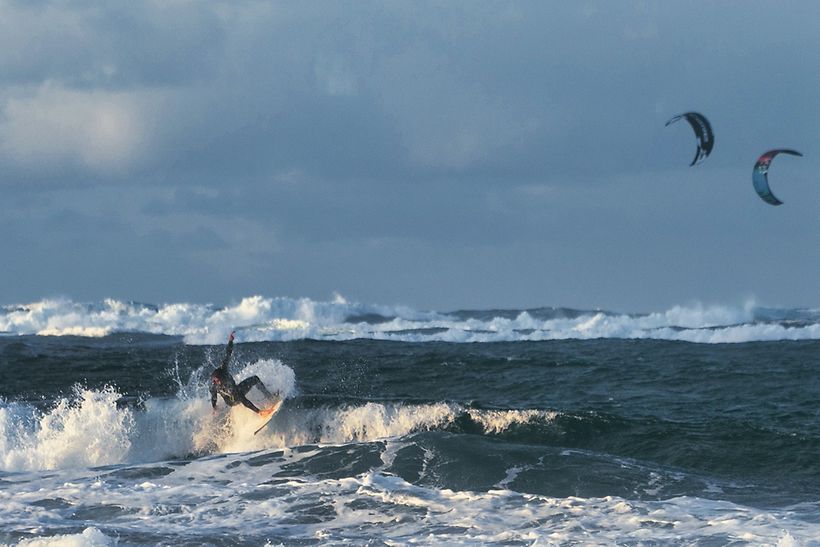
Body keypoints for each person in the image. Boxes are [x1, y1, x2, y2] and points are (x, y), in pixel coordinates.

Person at [210, 331, 277, 414]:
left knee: (255, 379)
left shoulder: (223, 369)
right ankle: (260, 412)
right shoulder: (214, 386)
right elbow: (214, 397)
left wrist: (230, 341)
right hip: (232, 400)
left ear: (221, 376)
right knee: (238, 395)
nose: (215, 382)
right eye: (214, 381)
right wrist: (214, 407)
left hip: (236, 390)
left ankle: (270, 397)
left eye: (216, 380)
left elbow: (228, 353)